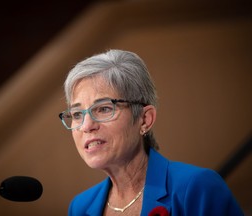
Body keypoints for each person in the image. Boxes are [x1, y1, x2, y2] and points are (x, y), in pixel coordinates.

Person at [59, 49, 243, 216]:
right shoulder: (80, 207)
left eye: (104, 109)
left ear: (145, 119)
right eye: (76, 114)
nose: (86, 126)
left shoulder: (197, 188)